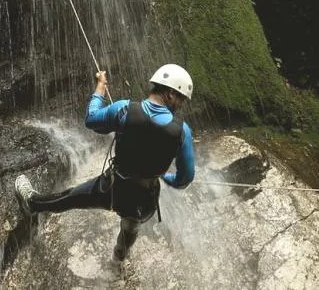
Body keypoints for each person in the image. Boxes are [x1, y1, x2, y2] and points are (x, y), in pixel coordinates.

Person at [15, 64, 195, 262]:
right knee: (130, 227)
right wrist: (168, 178)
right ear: (170, 93)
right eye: (181, 99)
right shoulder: (182, 132)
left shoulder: (124, 109)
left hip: (112, 189)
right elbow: (185, 179)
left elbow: (91, 119)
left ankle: (33, 204)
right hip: (144, 200)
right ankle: (119, 258)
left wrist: (100, 86)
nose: (181, 104)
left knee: (70, 197)